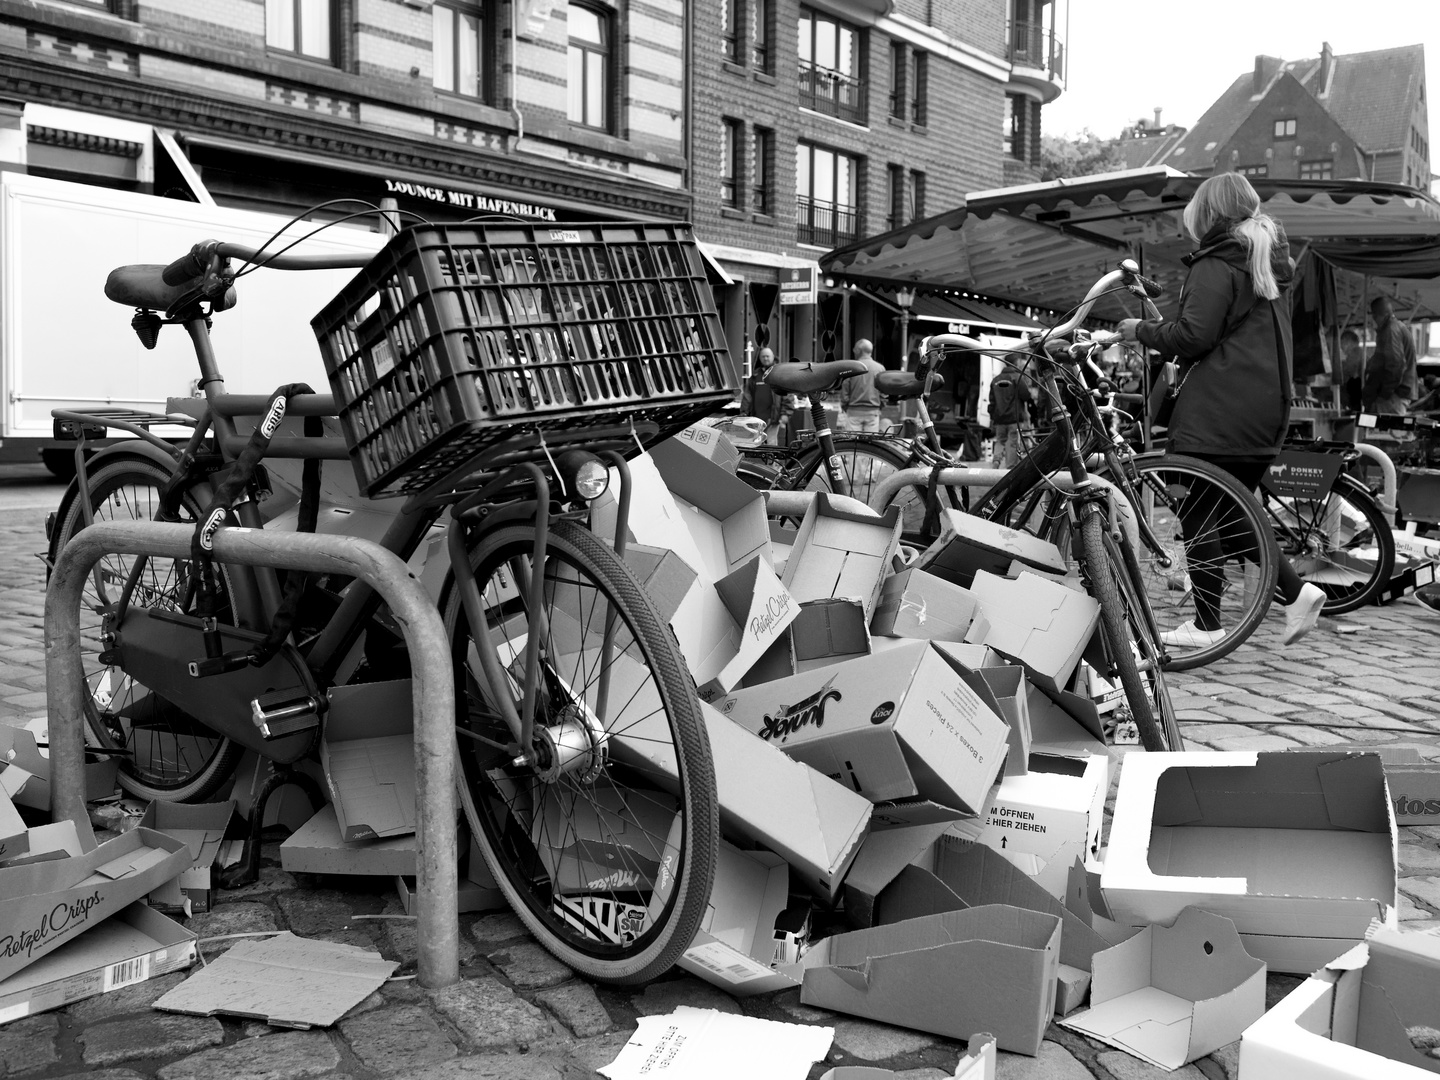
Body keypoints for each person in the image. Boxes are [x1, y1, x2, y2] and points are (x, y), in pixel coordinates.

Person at [1118, 171, 1326, 648]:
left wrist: (1139, 331)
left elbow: (1194, 336)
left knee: (1199, 514)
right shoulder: (1265, 261)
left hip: (1221, 409)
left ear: (1208, 213)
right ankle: (1294, 593)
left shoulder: (1218, 261)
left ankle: (1213, 625)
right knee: (1230, 517)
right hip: (1264, 409)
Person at [1363, 295, 1418, 415]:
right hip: (1397, 395)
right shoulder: (1399, 327)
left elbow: (1395, 364)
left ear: (1376, 315)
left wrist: (1384, 393)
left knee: (1383, 432)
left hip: (1392, 398)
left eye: (1374, 317)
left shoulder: (1390, 330)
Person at [988, 352, 1034, 469]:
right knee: (1012, 442)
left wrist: (993, 417)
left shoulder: (995, 380)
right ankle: (1010, 467)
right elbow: (1026, 395)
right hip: (1014, 418)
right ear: (1015, 363)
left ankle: (996, 461)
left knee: (1000, 440)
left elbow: (992, 401)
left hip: (999, 418)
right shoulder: (1017, 378)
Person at [739, 346, 785, 443]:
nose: (765, 358)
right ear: (760, 358)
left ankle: (772, 459)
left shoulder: (779, 375)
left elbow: (787, 396)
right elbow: (747, 396)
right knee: (756, 444)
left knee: (771, 443)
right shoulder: (755, 376)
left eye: (768, 356)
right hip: (756, 419)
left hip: (772, 419)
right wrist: (744, 412)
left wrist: (785, 414)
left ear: (773, 357)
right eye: (763, 356)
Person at [840, 338, 885, 432]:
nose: (853, 351)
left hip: (853, 411)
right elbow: (884, 393)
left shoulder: (851, 367)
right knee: (870, 443)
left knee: (853, 443)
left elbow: (845, 391)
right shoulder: (880, 368)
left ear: (858, 351)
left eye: (854, 349)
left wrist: (845, 405)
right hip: (873, 412)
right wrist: (880, 405)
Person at [1337, 328, 1365, 413]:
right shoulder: (1360, 353)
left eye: (1341, 343)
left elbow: (1348, 372)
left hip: (1358, 397)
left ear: (1347, 342)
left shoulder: (1356, 352)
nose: (1341, 347)